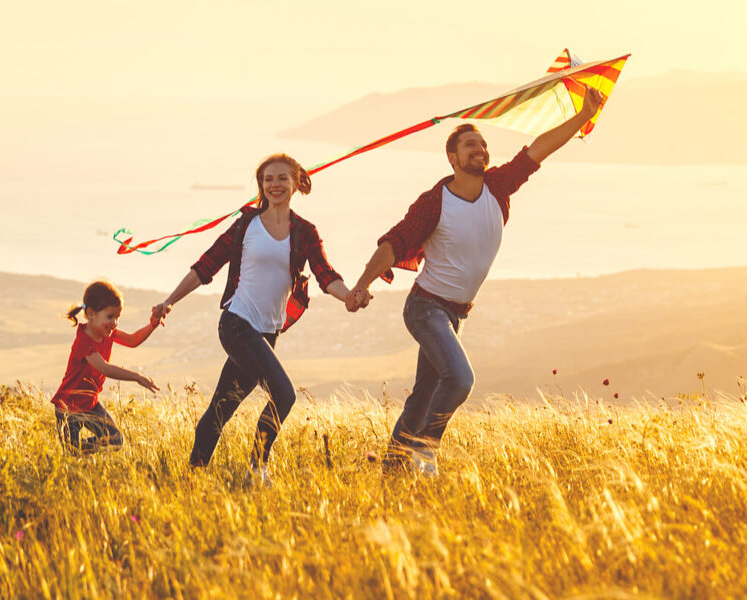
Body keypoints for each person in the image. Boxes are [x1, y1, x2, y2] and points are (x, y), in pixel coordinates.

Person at [349, 89, 608, 475]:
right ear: (452, 158)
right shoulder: (434, 202)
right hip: (424, 309)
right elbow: (394, 243)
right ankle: (426, 449)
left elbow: (540, 148)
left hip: (455, 315)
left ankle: (392, 471)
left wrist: (583, 115)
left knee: (422, 398)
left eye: (484, 145)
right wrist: (362, 284)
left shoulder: (499, 185)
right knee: (460, 379)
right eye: (470, 145)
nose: (480, 150)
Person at [152, 153, 368, 484]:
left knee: (222, 407)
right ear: (261, 185)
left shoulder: (305, 232)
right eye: (268, 179)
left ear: (296, 182)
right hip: (236, 324)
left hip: (267, 334)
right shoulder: (245, 226)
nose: (274, 185)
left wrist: (350, 296)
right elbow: (206, 266)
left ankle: (192, 476)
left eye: (282, 178)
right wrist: (169, 301)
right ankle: (256, 469)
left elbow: (326, 276)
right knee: (284, 394)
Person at [52, 280, 161, 454]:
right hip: (68, 408)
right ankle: (75, 455)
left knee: (115, 440)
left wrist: (152, 325)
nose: (115, 322)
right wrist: (137, 377)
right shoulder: (84, 342)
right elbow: (105, 368)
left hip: (89, 404)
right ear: (91, 314)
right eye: (110, 317)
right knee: (72, 453)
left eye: (118, 317)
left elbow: (133, 340)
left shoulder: (107, 334)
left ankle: (78, 455)